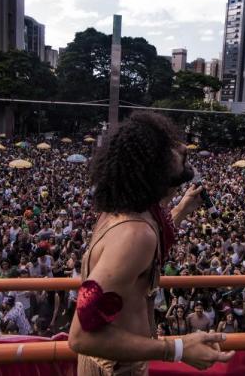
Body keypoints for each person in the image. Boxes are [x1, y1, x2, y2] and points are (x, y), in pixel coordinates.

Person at [68, 113, 234, 375]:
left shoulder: (128, 212)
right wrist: (177, 348)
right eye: (168, 146)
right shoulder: (135, 235)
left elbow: (142, 267)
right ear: (152, 166)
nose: (182, 148)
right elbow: (81, 337)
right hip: (116, 370)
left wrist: (178, 211)